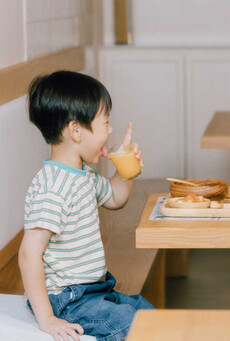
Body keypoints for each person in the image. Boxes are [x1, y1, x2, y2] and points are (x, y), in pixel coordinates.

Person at [19, 70, 154, 341]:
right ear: (76, 130)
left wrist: (126, 167)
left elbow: (115, 198)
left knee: (151, 316)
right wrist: (47, 318)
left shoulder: (83, 175)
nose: (110, 130)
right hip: (67, 299)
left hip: (95, 289)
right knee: (135, 328)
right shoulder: (53, 187)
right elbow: (28, 253)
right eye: (105, 122)